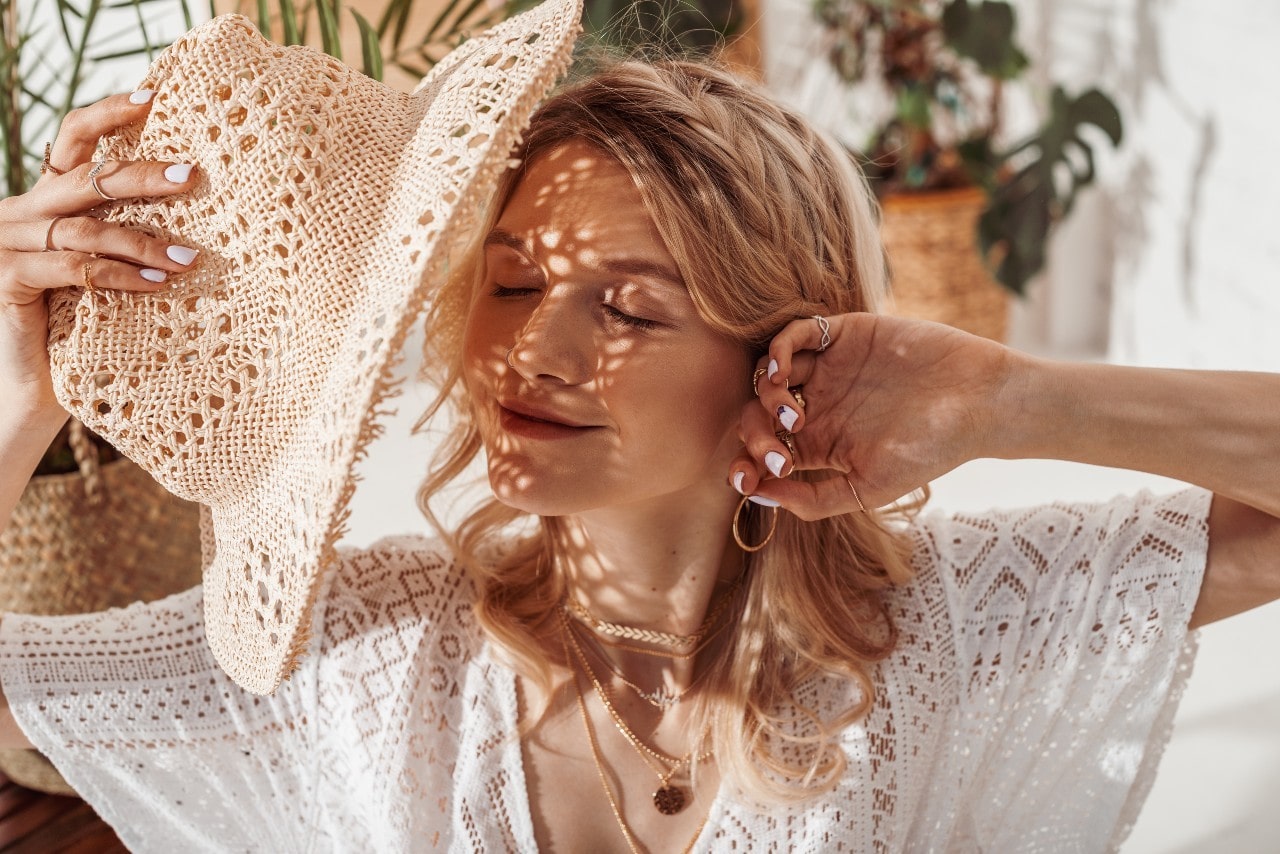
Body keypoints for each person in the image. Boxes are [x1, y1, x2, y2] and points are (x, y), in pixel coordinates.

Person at [0, 56, 1277, 853]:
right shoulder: (373, 652)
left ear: (780, 353)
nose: (531, 353)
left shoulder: (944, 628)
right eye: (510, 284)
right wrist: (23, 391)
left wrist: (1014, 398)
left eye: (626, 306)